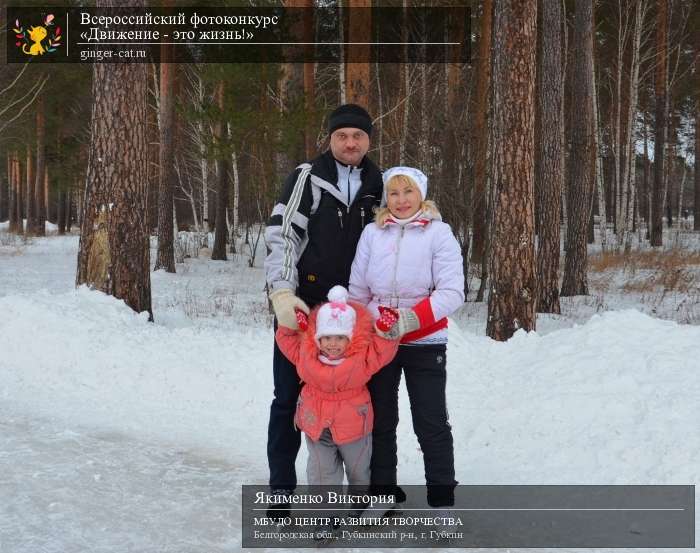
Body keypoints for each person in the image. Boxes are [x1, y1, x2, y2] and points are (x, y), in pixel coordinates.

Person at [264, 104, 384, 518]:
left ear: (369, 140)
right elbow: (283, 236)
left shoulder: (379, 183)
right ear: (330, 139)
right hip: (305, 310)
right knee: (288, 400)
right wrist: (282, 293)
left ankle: (365, 493)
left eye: (358, 136)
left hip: (356, 319)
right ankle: (281, 490)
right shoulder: (307, 177)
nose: (350, 143)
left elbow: (398, 233)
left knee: (361, 402)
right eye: (341, 136)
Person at [349, 166, 465, 512]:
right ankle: (383, 495)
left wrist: (411, 319)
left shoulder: (439, 234)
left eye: (408, 192)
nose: (401, 200)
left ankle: (442, 502)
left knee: (430, 422)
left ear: (421, 195)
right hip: (380, 341)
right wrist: (365, 327)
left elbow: (453, 292)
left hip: (425, 341)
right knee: (381, 420)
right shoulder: (372, 233)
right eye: (394, 193)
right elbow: (358, 290)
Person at [275, 285, 401, 534]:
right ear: (317, 338)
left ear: (350, 339)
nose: (333, 345)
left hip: (354, 426)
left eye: (340, 338)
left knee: (358, 472)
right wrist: (292, 323)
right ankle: (325, 516)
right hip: (317, 424)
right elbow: (286, 340)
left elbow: (382, 350)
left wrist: (387, 331)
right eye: (327, 338)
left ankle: (359, 502)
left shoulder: (361, 357)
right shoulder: (306, 354)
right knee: (322, 473)